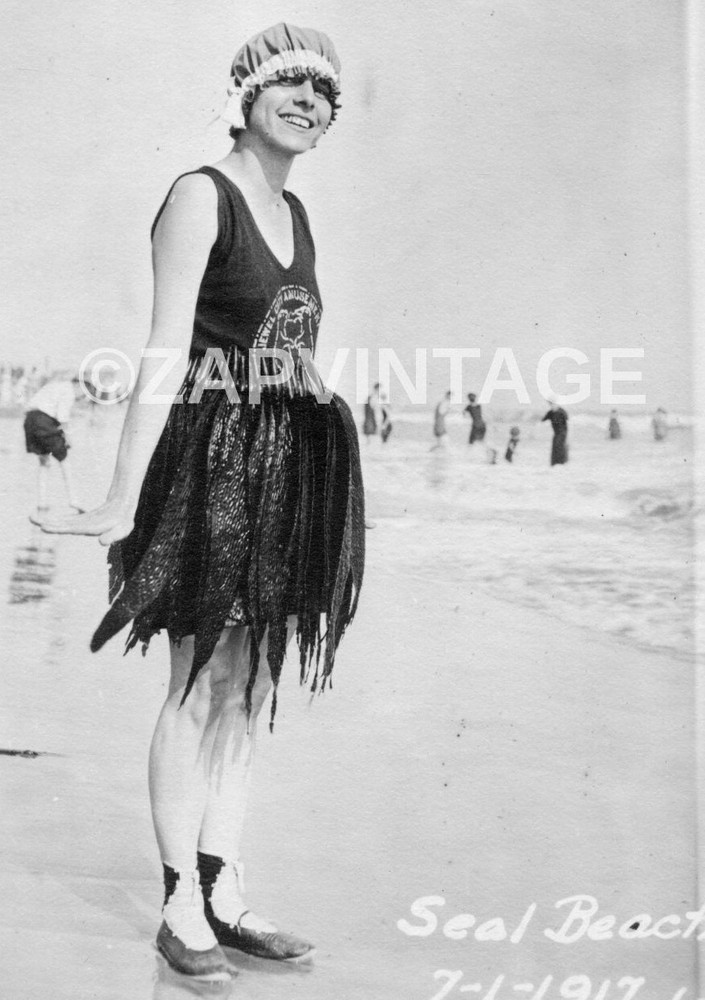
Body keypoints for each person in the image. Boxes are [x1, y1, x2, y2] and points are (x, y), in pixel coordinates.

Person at [34, 23, 364, 983]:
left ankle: (225, 889)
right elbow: (164, 353)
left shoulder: (297, 214)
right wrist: (118, 500)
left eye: (324, 93)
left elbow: (280, 341)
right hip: (210, 462)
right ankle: (179, 900)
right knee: (195, 680)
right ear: (246, 94)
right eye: (290, 84)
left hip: (289, 464)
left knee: (252, 682)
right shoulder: (198, 195)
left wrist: (309, 391)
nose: (309, 101)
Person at [23, 373, 84, 512]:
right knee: (65, 460)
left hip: (29, 421)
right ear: (79, 385)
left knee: (44, 462)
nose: (80, 398)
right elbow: (62, 416)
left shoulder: (55, 385)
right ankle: (74, 501)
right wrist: (68, 437)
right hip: (44, 422)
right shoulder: (69, 391)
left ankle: (42, 503)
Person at [541, 400, 569, 465]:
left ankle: (561, 462)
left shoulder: (561, 411)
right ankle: (555, 462)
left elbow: (567, 419)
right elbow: (543, 419)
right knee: (555, 446)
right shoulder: (551, 413)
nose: (551, 405)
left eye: (553, 404)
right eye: (550, 404)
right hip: (556, 433)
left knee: (559, 446)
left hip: (562, 432)